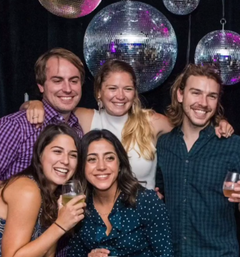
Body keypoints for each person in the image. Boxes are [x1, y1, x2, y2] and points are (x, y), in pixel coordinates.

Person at [23, 59, 233, 191]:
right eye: (112, 88)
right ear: (99, 92)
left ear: (135, 93)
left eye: (128, 89)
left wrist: (217, 122)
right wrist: (33, 103)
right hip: (95, 216)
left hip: (144, 217)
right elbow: (55, 107)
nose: (120, 96)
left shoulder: (152, 121)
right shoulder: (85, 118)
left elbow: (192, 128)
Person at [156, 63, 240, 256]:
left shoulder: (233, 146)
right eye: (196, 93)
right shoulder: (164, 145)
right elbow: (159, 194)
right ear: (180, 95)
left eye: (212, 96)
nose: (203, 102)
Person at [67, 129, 173, 257]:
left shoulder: (146, 201)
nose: (101, 166)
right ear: (82, 166)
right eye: (92, 159)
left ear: (120, 163)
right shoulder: (80, 207)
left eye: (109, 158)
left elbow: (166, 254)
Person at [0, 123, 86, 257]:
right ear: (40, 154)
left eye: (73, 155)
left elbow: (47, 253)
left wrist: (59, 221)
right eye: (57, 151)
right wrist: (61, 225)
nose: (65, 161)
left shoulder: (53, 195)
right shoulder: (28, 190)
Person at [0, 47, 85, 182]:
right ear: (41, 85)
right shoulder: (16, 126)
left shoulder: (77, 129)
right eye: (57, 80)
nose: (68, 89)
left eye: (74, 81)